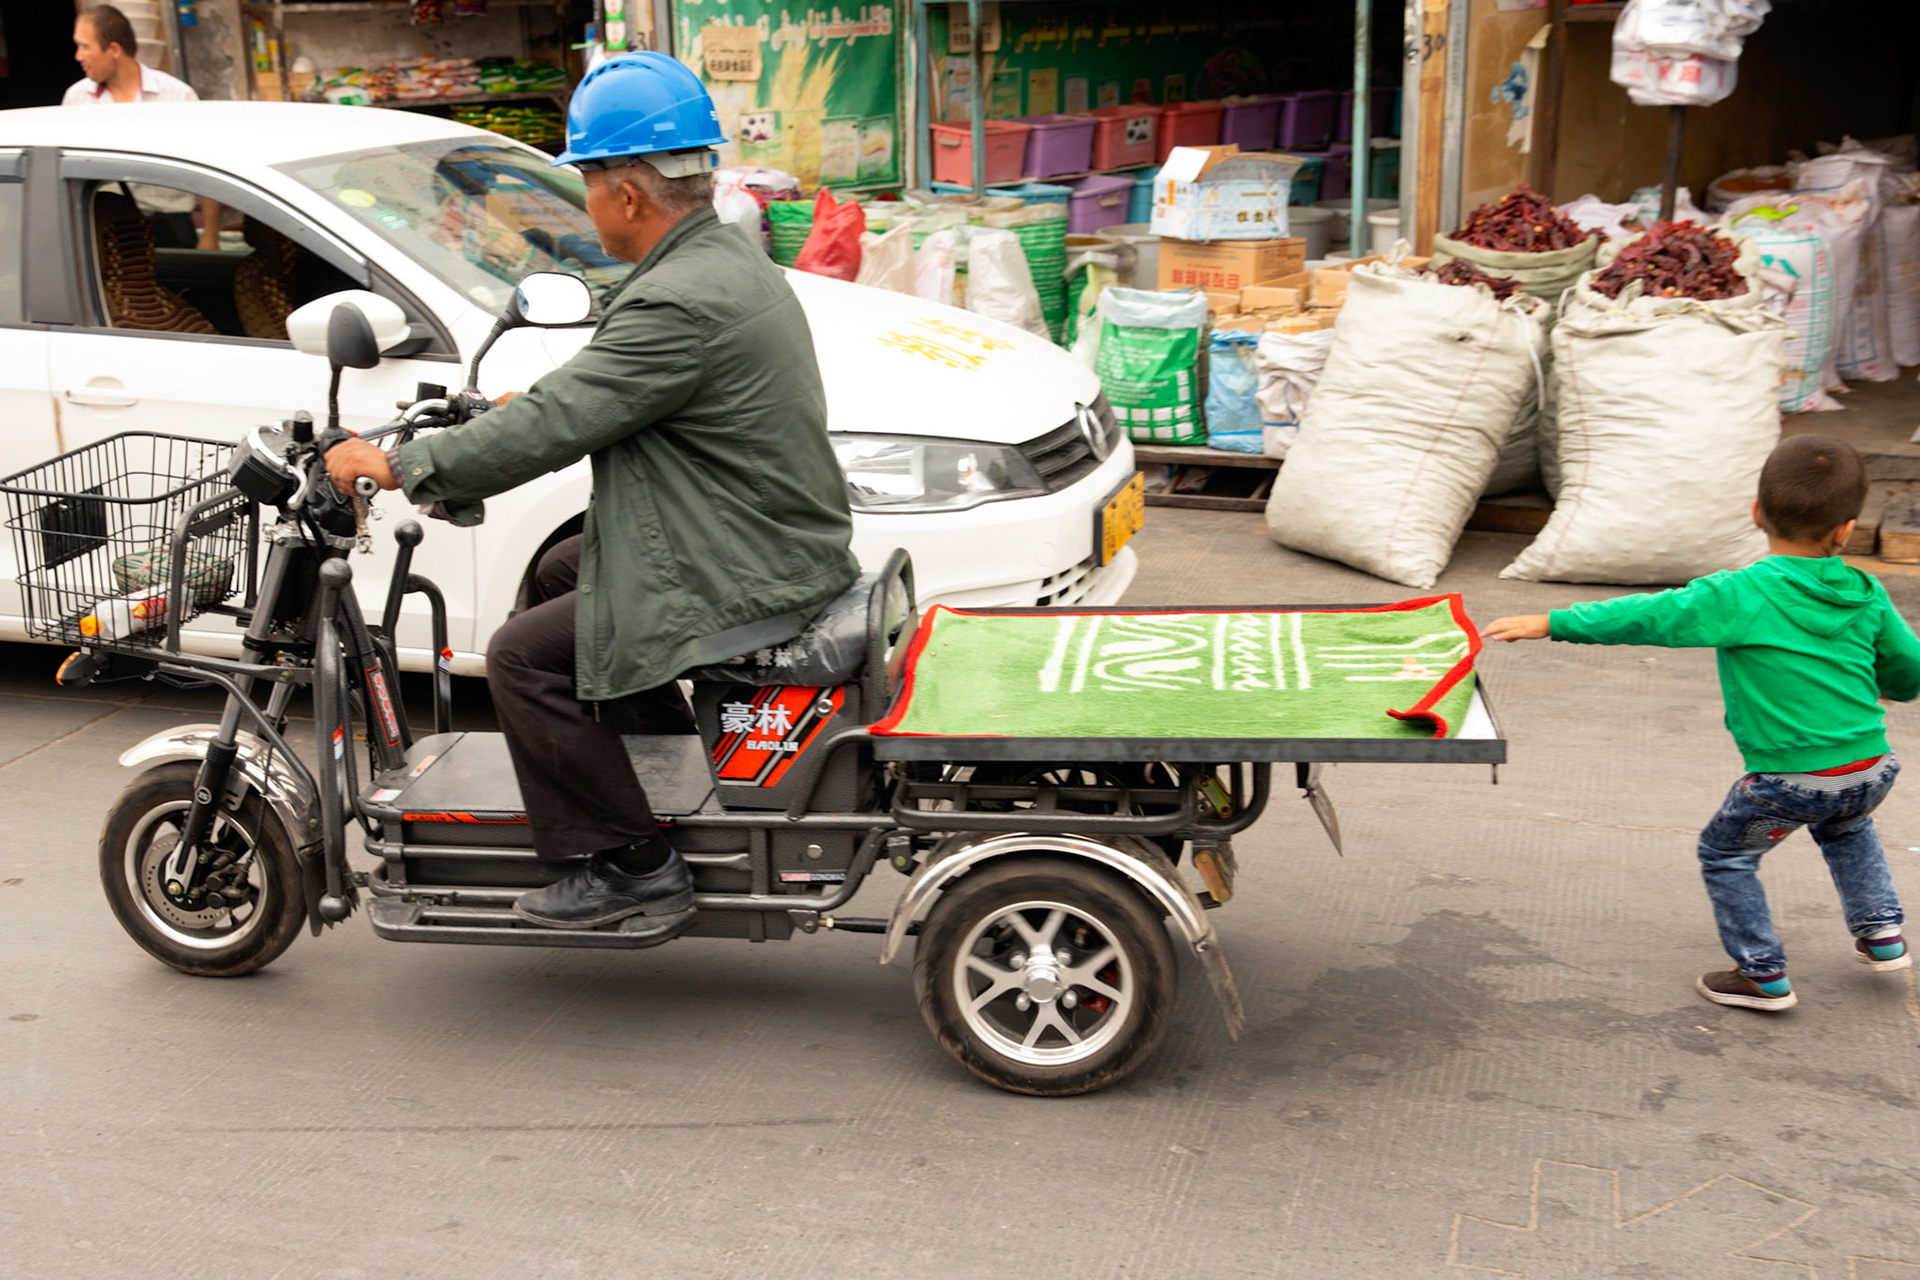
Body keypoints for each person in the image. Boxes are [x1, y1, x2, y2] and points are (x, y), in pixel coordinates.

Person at [325, 52, 857, 934]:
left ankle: (632, 863)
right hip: (754, 532)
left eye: (589, 180)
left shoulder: (679, 298)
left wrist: (400, 466)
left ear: (630, 194)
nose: (587, 199)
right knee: (561, 575)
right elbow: (605, 390)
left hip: (742, 563)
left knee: (521, 658)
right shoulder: (720, 259)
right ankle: (656, 770)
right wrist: (510, 410)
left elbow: (565, 418)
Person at [1484, 435, 1918, 1011]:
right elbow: (1908, 672)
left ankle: (1762, 974)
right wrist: (1889, 685)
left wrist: (1553, 621)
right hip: (1871, 768)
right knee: (1847, 824)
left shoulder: (1738, 594)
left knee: (1727, 854)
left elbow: (1648, 615)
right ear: (1846, 529)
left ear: (1756, 512)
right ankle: (1882, 932)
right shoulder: (1868, 592)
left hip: (1792, 781)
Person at [64, 5, 221, 251]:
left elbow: (210, 168)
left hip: (171, 227)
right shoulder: (77, 99)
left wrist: (211, 235)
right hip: (106, 231)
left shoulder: (176, 96)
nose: (78, 56)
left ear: (114, 49)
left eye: (85, 46)